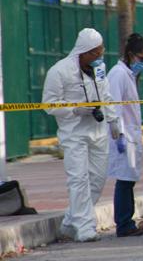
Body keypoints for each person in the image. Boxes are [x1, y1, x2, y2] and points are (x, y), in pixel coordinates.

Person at [42, 28, 121, 242]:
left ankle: (70, 221)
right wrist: (74, 109)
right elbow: (48, 104)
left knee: (97, 179)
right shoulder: (59, 71)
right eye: (94, 53)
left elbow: (106, 94)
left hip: (98, 131)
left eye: (101, 52)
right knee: (78, 179)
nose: (99, 57)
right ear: (83, 51)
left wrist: (113, 120)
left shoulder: (100, 69)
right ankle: (85, 227)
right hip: (74, 133)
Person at [107, 33, 143, 237]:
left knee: (128, 180)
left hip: (131, 135)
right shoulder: (117, 74)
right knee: (124, 180)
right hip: (123, 136)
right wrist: (119, 134)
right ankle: (124, 224)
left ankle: (127, 221)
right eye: (141, 59)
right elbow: (113, 106)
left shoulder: (128, 75)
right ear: (131, 55)